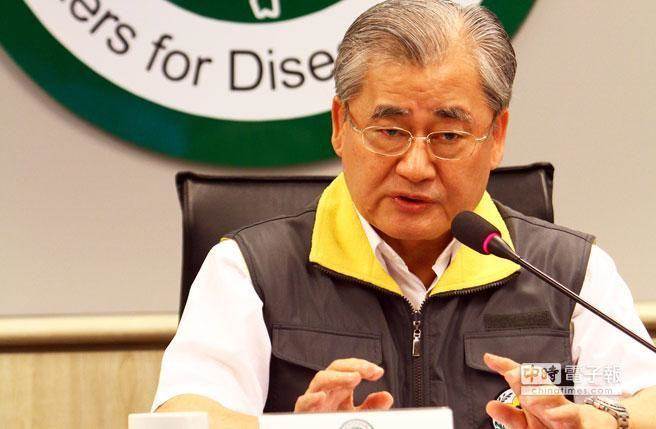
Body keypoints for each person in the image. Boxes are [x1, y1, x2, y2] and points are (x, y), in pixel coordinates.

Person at [152, 1, 656, 428]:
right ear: (340, 125)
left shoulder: (567, 272)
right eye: (390, 132)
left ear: (496, 136)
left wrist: (602, 419)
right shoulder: (250, 270)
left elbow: (643, 398)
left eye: (448, 136)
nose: (415, 167)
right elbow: (183, 417)